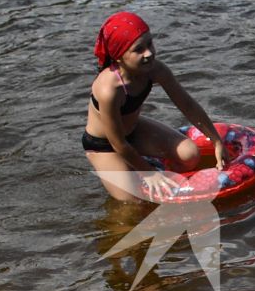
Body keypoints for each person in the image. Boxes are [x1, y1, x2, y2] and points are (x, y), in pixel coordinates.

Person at [81, 11, 229, 204]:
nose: (149, 53)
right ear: (118, 57)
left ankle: (166, 188)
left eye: (149, 43)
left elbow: (187, 104)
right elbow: (118, 143)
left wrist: (216, 141)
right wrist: (149, 174)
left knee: (190, 155)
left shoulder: (155, 70)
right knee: (132, 202)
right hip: (104, 145)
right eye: (138, 49)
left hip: (133, 131)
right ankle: (137, 170)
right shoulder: (109, 90)